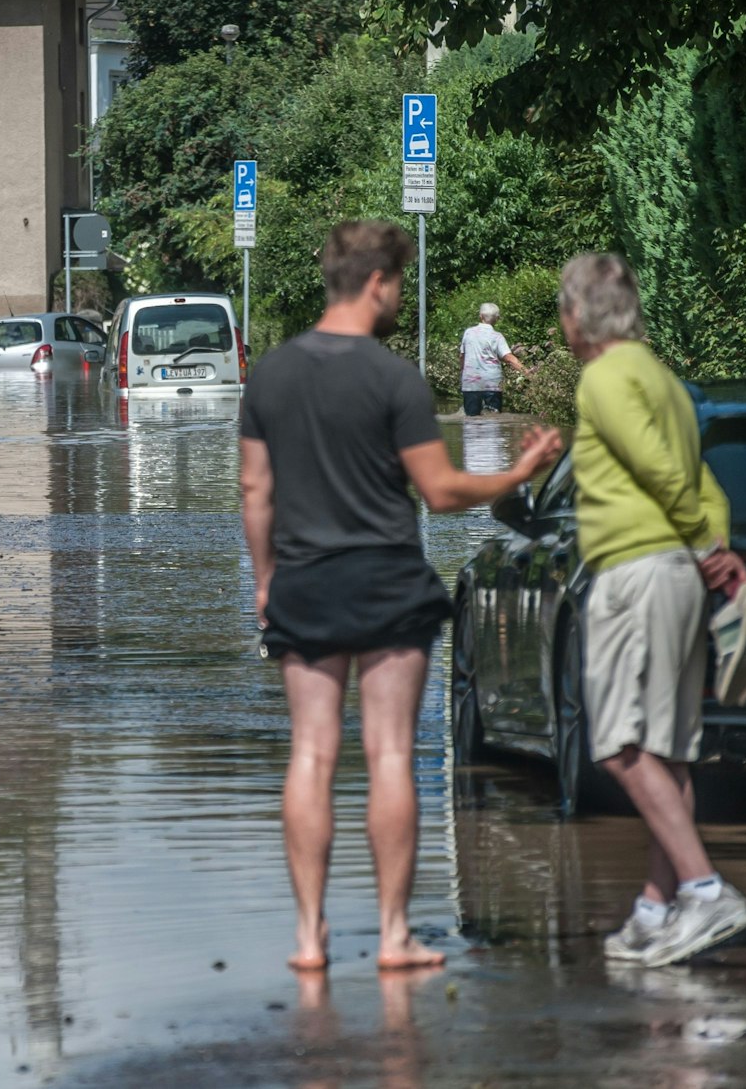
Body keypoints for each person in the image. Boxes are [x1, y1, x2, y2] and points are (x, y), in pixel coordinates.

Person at [239, 221, 563, 972]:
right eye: (399, 284)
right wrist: (520, 474)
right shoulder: (394, 379)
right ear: (378, 282)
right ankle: (392, 936)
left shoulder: (273, 375)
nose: (398, 298)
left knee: (312, 753)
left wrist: (265, 582)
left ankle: (311, 939)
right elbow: (442, 493)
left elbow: (256, 492)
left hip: (305, 581)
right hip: (387, 579)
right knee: (389, 754)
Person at [559, 253, 746, 968]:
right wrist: (714, 549)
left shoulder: (604, 377)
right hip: (679, 574)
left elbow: (654, 466)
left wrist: (696, 541)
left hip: (636, 570)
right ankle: (658, 908)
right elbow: (704, 482)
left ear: (580, 316)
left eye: (565, 309)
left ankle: (706, 888)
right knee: (669, 748)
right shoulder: (668, 383)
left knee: (618, 742)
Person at [459, 303, 528, 416]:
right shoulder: (497, 337)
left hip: (471, 383)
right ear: (497, 319)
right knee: (493, 419)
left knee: (471, 420)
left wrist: (461, 373)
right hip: (492, 383)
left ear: (480, 316)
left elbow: (462, 356)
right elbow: (509, 358)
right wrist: (526, 371)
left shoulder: (468, 333)